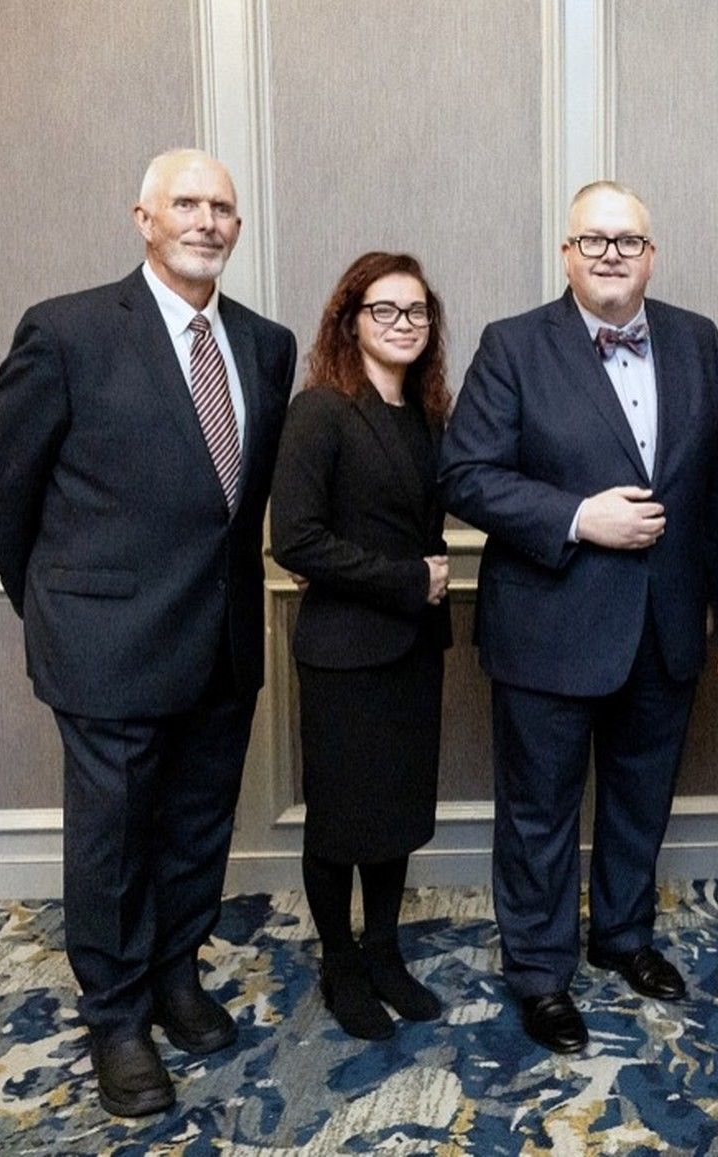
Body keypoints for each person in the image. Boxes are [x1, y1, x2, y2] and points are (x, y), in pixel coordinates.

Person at [0, 149, 297, 1116]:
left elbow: (233, 501)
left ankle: (174, 974)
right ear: (142, 219)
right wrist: (58, 602)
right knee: (112, 840)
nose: (207, 219)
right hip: (105, 642)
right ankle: (115, 1016)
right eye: (185, 203)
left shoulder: (265, 345)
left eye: (223, 207)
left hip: (222, 638)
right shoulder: (67, 330)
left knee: (197, 824)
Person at [439, 181, 718, 1054]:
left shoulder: (696, 339)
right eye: (593, 240)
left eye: (629, 241)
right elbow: (465, 474)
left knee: (641, 801)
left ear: (652, 254)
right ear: (567, 253)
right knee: (539, 813)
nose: (612, 254)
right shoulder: (514, 345)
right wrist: (578, 516)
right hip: (550, 625)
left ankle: (623, 936)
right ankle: (538, 970)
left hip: (666, 622)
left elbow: (713, 481)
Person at [269, 253, 453, 1040]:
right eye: (385, 310)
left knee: (396, 814)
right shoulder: (320, 410)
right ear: (351, 321)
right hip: (345, 654)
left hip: (411, 652)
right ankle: (339, 961)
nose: (403, 324)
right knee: (341, 821)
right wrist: (408, 578)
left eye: (417, 312)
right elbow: (295, 540)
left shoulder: (425, 414)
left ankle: (384, 951)